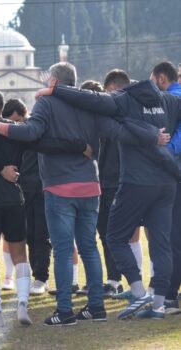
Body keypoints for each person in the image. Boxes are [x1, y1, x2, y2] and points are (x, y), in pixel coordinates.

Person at [0, 62, 166, 325]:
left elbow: (30, 132)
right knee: (89, 247)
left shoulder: (46, 103)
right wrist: (153, 135)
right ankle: (96, 307)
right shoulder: (89, 103)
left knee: (64, 250)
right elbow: (117, 131)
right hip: (90, 185)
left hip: (59, 186)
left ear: (53, 82)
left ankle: (64, 310)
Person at [30, 63, 181, 320]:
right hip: (166, 183)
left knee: (114, 237)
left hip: (136, 181)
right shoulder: (167, 99)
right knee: (161, 242)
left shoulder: (125, 100)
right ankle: (157, 305)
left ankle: (137, 288)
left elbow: (89, 97)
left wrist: (55, 92)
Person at [2, 98, 51, 295]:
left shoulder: (37, 130)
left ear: (25, 114)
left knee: (41, 234)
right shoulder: (14, 134)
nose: (15, 126)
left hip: (41, 188)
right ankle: (35, 275)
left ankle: (41, 278)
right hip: (23, 190)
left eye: (17, 121)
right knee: (28, 235)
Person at [151, 61, 181, 314]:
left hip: (173, 175)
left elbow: (174, 139)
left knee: (172, 237)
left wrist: (164, 150)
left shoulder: (170, 98)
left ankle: (170, 295)